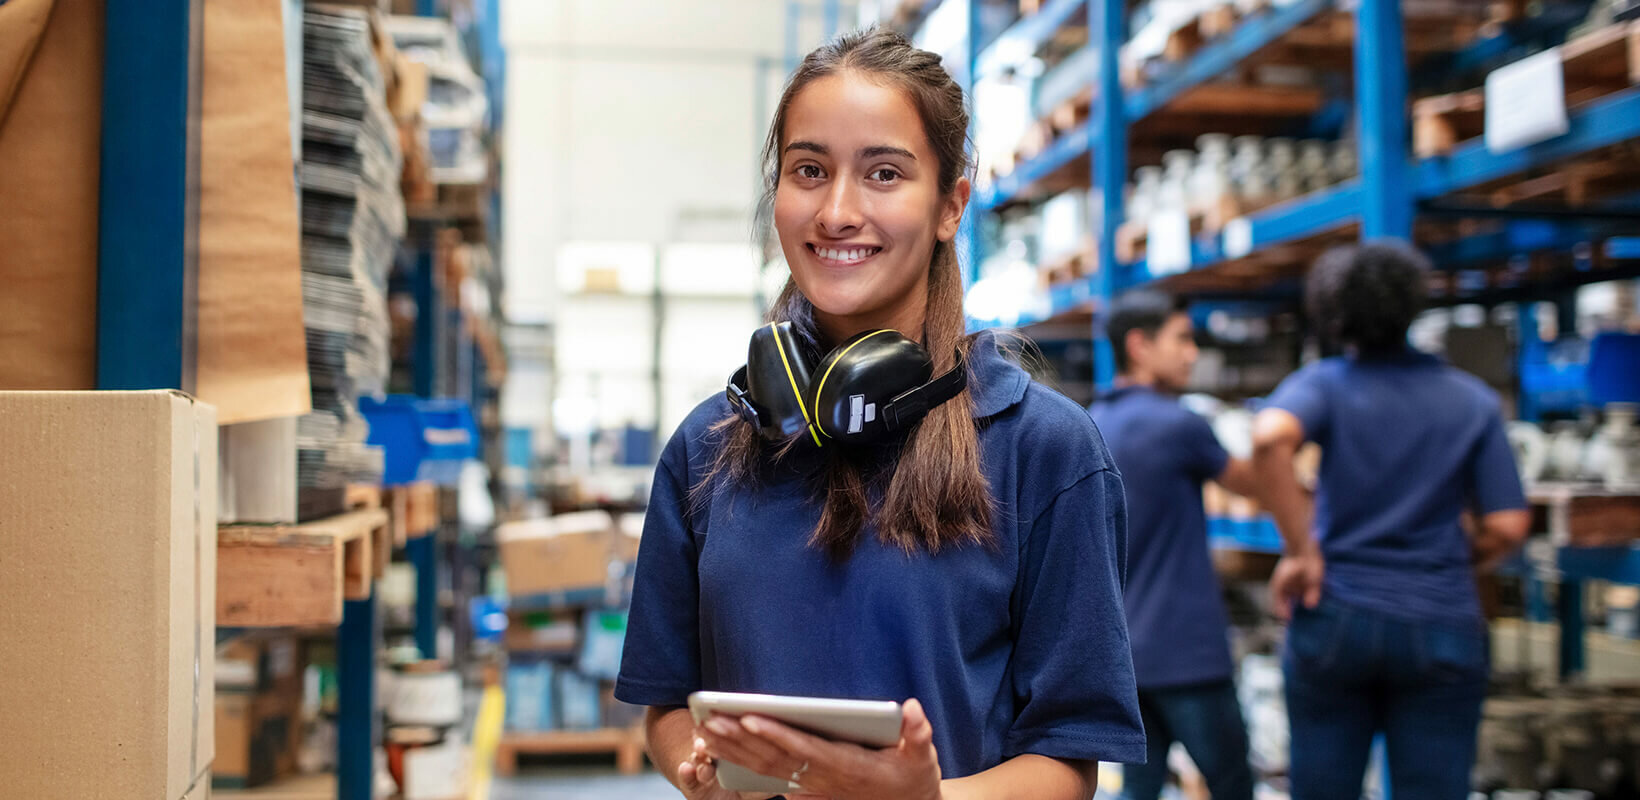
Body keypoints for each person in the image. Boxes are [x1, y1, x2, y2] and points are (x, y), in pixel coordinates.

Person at [614, 27, 1144, 800]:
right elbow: (667, 700)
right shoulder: (707, 447)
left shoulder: (1048, 452)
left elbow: (1067, 760)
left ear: (950, 205)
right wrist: (701, 767)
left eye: (885, 173)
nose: (836, 211)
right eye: (808, 170)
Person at [1251, 242, 1530, 799]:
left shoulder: (1325, 385)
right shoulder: (1469, 400)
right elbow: (1508, 525)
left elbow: (1268, 438)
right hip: (1439, 620)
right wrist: (1457, 554)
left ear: (1335, 310)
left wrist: (1302, 550)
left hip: (1335, 613)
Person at [1088, 291, 1258, 800]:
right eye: (1182, 339)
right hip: (1188, 653)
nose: (1192, 354)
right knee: (1232, 784)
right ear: (1138, 345)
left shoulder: (1087, 425)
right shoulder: (1180, 424)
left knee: (1140, 786)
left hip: (1121, 658)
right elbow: (1251, 484)